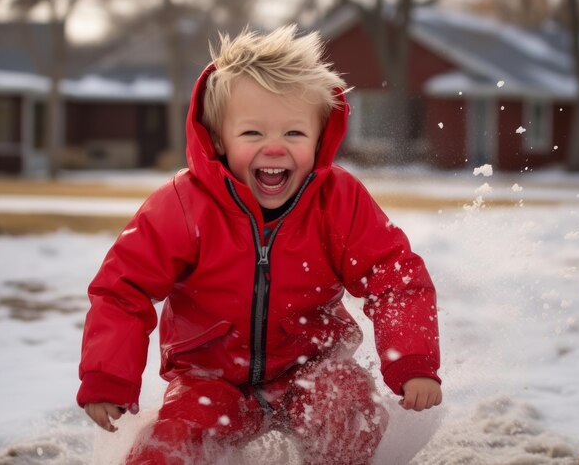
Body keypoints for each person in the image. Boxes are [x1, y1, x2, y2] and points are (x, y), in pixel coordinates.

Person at [77, 25, 442, 465]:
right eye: (252, 134)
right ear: (217, 139)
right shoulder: (183, 206)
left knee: (344, 409)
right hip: (208, 379)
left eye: (294, 134)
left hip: (314, 369)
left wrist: (414, 364)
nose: (274, 148)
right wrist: (108, 378)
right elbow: (123, 288)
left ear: (320, 137)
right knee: (172, 440)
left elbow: (395, 276)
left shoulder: (338, 202)